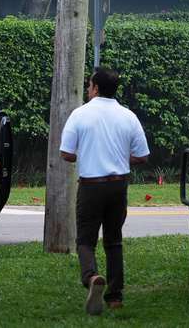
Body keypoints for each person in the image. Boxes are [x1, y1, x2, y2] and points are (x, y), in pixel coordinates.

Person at [60, 67, 149, 315]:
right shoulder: (128, 116)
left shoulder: (80, 115)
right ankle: (115, 297)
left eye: (89, 85)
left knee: (86, 241)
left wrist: (86, 154)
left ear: (96, 88)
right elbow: (143, 157)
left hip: (91, 187)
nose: (88, 89)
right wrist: (119, 157)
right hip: (119, 185)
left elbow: (66, 154)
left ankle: (91, 278)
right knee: (113, 240)